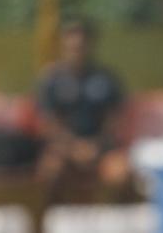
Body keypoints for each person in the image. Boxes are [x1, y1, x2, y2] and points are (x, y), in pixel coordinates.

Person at [34, 18, 130, 203]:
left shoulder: (107, 78)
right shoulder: (51, 80)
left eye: (81, 44)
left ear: (91, 44)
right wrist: (73, 148)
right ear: (63, 45)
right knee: (49, 171)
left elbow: (115, 120)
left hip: (101, 150)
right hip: (63, 151)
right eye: (72, 45)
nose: (77, 49)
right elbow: (48, 123)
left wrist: (96, 146)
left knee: (121, 172)